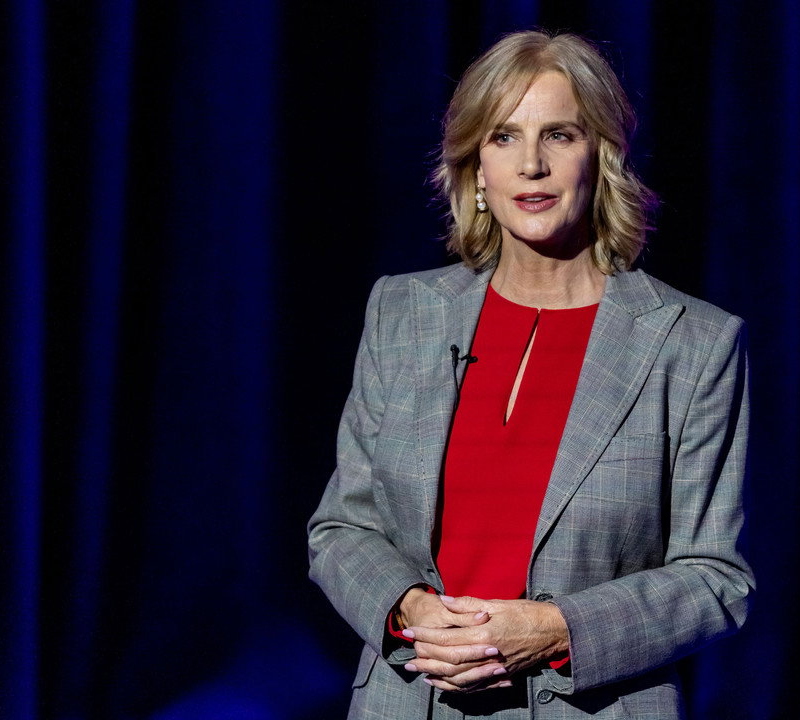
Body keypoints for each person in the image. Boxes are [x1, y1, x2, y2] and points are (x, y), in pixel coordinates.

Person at [308, 29, 753, 719]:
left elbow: (715, 578)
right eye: (504, 137)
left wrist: (554, 629)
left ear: (602, 155)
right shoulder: (403, 312)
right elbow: (341, 528)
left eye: (560, 135)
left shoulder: (692, 343)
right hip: (408, 700)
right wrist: (409, 610)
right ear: (476, 167)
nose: (532, 165)